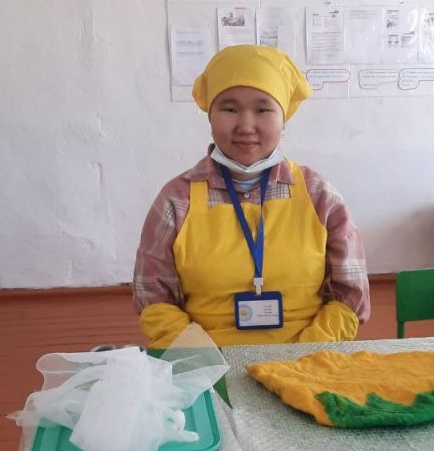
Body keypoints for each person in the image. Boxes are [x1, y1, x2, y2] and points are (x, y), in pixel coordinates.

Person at [133, 45, 370, 347]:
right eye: (230, 109)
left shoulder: (319, 197)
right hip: (209, 362)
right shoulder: (177, 201)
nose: (246, 126)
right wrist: (207, 360)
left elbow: (350, 296)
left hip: (308, 357)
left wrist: (306, 354)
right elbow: (153, 299)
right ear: (210, 116)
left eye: (262, 109)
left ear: (283, 117)